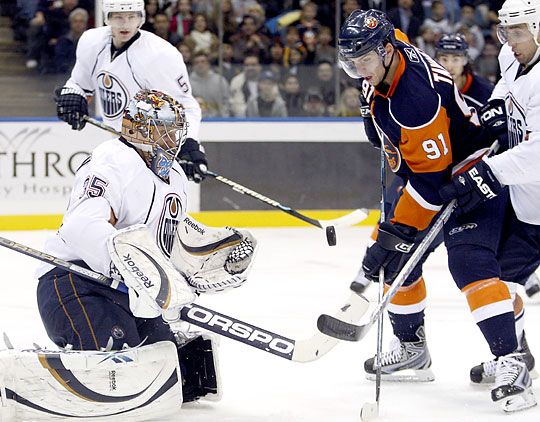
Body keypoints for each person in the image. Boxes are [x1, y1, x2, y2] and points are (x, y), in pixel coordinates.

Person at [339, 9, 536, 412]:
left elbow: (432, 184)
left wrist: (397, 230)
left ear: (388, 52)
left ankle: (511, 360)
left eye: (365, 61)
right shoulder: (386, 50)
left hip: (466, 172)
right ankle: (412, 347)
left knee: (470, 264)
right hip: (425, 172)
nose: (359, 70)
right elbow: (386, 28)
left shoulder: (416, 103)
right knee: (395, 261)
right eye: (352, 63)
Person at [35, 89, 257, 413]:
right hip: (75, 283)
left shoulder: (175, 176)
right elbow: (81, 225)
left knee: (175, 377)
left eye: (176, 130)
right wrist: (130, 266)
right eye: (164, 128)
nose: (173, 138)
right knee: (121, 373)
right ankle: (41, 378)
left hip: (130, 294)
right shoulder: (111, 161)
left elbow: (172, 240)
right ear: (138, 128)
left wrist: (208, 259)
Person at [441, 0, 540, 409]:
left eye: (517, 33)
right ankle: (515, 355)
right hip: (526, 200)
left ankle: (514, 363)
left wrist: (489, 172)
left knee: (500, 275)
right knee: (500, 277)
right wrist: (498, 106)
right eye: (505, 32)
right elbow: (506, 87)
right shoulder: (512, 55)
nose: (508, 41)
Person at [54, 0, 207, 184]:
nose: (125, 24)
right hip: (119, 144)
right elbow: (79, 83)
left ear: (141, 18)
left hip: (157, 149)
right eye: (118, 17)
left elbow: (186, 105)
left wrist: (188, 144)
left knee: (156, 206)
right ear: (107, 18)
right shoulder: (91, 42)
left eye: (131, 16)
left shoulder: (159, 55)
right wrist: (73, 96)